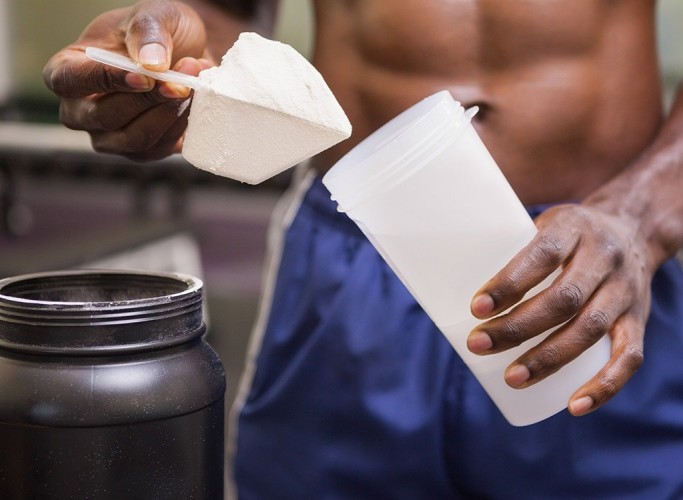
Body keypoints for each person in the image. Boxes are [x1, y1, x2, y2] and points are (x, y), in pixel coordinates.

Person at [44, 0, 683, 498]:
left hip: (594, 264)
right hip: (356, 262)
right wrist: (163, 67)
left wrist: (643, 215)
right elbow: (221, 15)